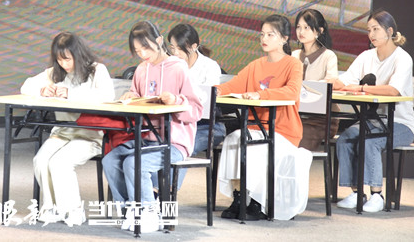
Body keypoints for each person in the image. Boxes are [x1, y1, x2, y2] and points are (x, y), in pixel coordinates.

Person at [101, 21, 202, 233]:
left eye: (146, 48)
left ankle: (148, 212)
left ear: (159, 40)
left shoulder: (178, 68)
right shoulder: (141, 70)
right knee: (110, 160)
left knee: (134, 162)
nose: (143, 54)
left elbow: (196, 110)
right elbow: (137, 98)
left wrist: (175, 100)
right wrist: (131, 97)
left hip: (175, 142)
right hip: (145, 138)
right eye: (138, 51)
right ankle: (131, 209)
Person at [215, 14, 311, 221]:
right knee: (234, 140)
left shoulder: (293, 64)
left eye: (270, 35)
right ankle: (239, 197)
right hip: (255, 127)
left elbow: (292, 92)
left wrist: (261, 94)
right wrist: (215, 91)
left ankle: (258, 202)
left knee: (256, 147)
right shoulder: (255, 65)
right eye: (262, 34)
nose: (264, 39)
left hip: (283, 130)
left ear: (284, 38)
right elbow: (233, 85)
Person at [20, 32, 114, 226]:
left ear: (78, 54)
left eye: (67, 59)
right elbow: (26, 86)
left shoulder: (97, 70)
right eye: (59, 59)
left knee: (60, 162)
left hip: (90, 134)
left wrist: (71, 93)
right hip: (63, 132)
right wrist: (42, 90)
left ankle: (73, 210)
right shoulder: (54, 73)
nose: (63, 64)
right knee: (40, 160)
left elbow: (106, 96)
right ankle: (52, 207)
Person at [328, 10, 414, 213]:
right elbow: (346, 80)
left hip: (402, 124)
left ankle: (377, 195)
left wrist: (361, 88)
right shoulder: (366, 56)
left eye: (376, 29)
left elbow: (393, 90)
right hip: (374, 122)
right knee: (345, 139)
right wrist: (330, 82)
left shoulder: (403, 58)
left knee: (369, 141)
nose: (371, 34)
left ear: (390, 31)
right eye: (369, 30)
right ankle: (356, 192)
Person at [166, 23, 224, 182]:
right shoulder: (171, 65)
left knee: (180, 148)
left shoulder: (209, 66)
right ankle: (156, 190)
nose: (175, 53)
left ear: (193, 47)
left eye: (180, 49)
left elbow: (207, 99)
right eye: (172, 48)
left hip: (208, 126)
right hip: (178, 124)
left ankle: (164, 190)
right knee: (156, 146)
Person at [291, 8, 339, 150]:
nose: (301, 32)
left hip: (322, 119)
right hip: (297, 116)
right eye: (298, 27)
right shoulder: (294, 55)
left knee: (299, 137)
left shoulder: (328, 56)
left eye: (306, 27)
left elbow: (331, 82)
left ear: (319, 31)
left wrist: (306, 86)